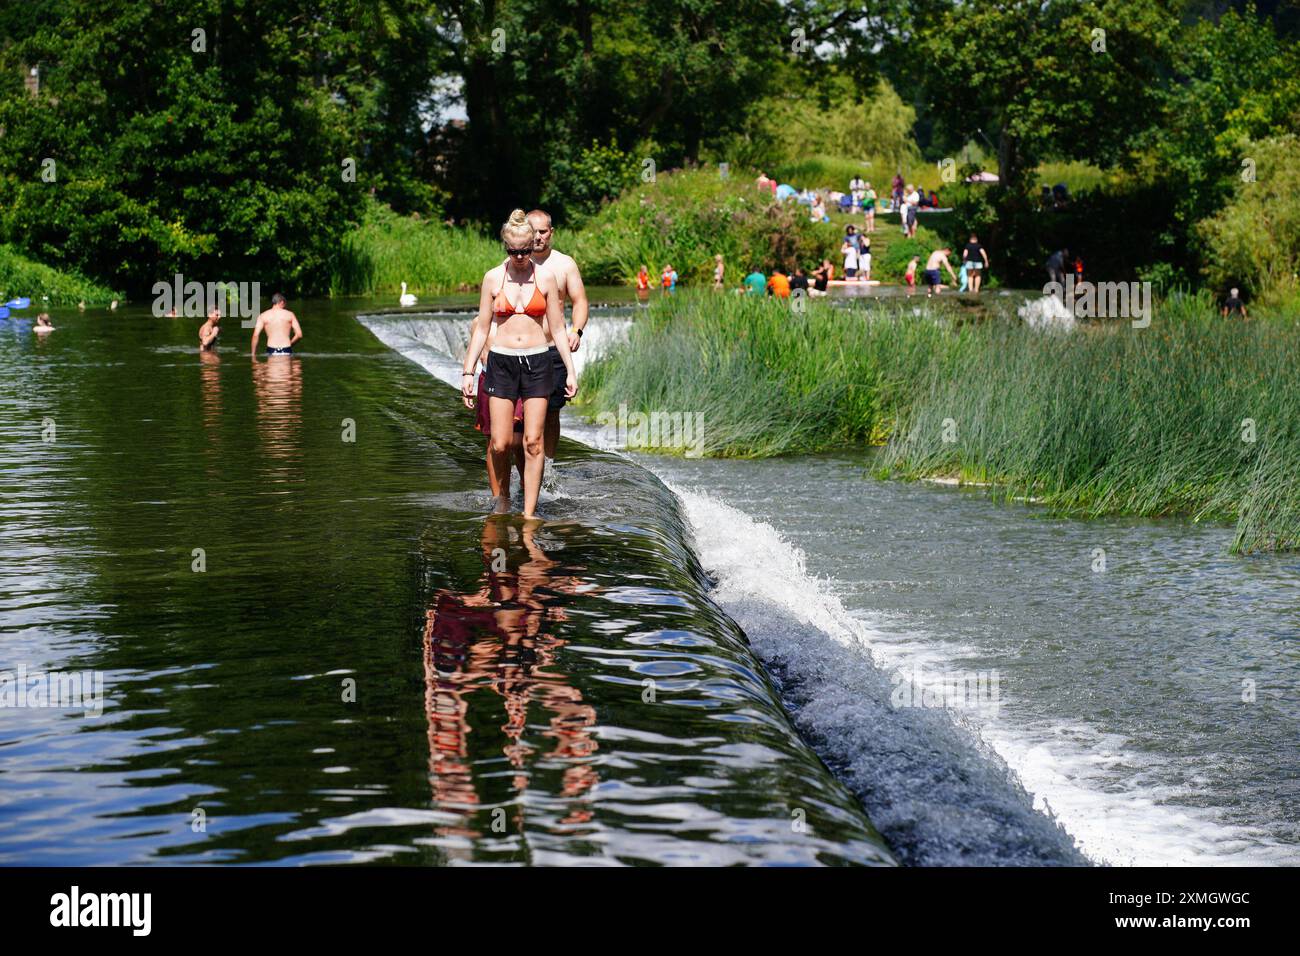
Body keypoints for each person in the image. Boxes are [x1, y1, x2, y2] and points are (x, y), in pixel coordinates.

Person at [461, 209, 576, 519]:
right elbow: (482, 328)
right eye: (514, 251)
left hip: (539, 363)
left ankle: (529, 514)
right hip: (501, 363)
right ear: (506, 246)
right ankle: (502, 499)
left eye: (526, 250)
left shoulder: (547, 278)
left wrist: (571, 371)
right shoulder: (493, 278)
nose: (521, 256)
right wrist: (468, 371)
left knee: (533, 441)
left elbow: (558, 328)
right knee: (499, 443)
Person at [527, 208, 589, 464]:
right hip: (523, 349)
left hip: (553, 349)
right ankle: (527, 465)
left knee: (552, 412)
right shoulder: (516, 263)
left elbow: (580, 301)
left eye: (543, 231)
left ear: (551, 233)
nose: (538, 237)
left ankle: (548, 466)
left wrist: (576, 330)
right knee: (522, 415)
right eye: (533, 231)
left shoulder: (564, 264)